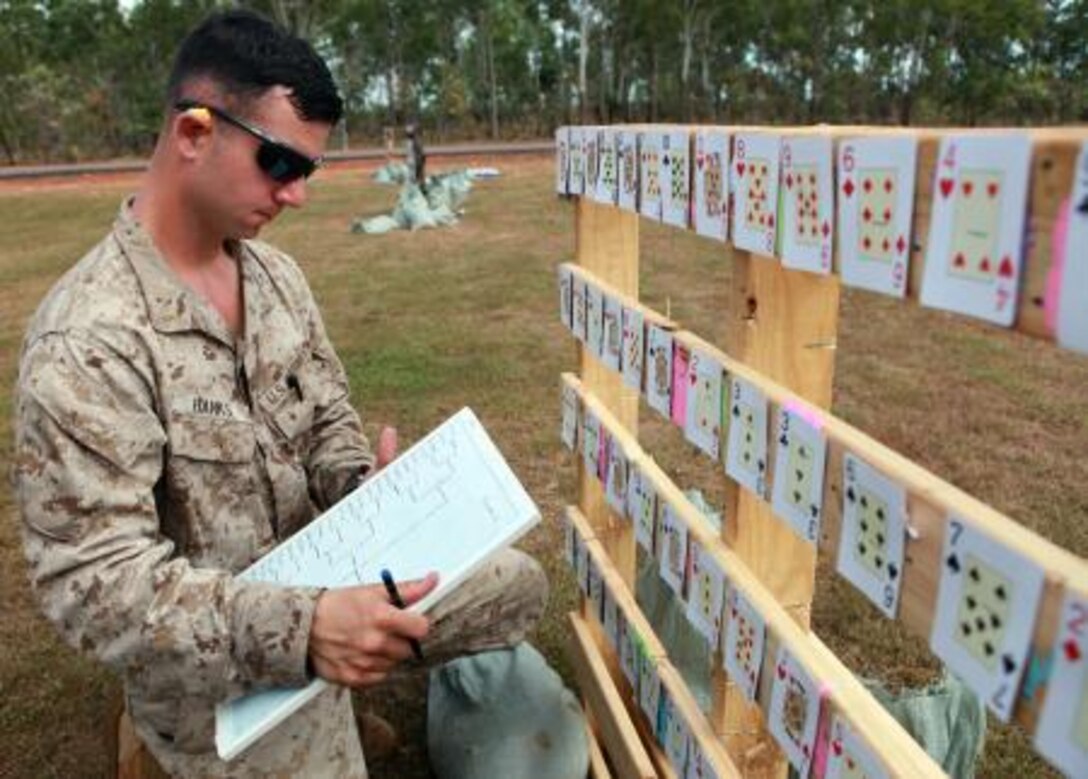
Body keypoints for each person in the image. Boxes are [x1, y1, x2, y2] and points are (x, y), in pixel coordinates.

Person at [12, 10, 547, 778]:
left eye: (308, 172)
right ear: (194, 132)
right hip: (216, 669)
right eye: (279, 163)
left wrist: (365, 484)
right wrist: (304, 631)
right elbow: (95, 585)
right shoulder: (90, 339)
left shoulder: (276, 280)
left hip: (333, 575)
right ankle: (177, 735)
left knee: (516, 588)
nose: (294, 195)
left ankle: (340, 687)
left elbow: (327, 416)